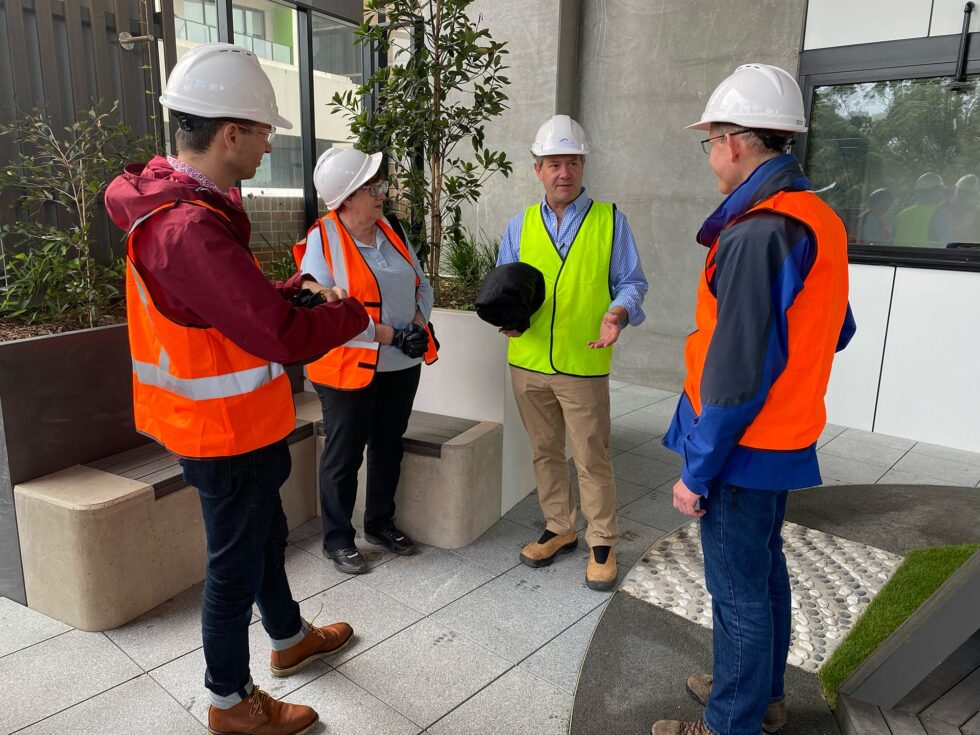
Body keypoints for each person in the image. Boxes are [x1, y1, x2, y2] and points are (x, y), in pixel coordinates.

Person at [105, 43, 369, 735]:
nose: (267, 142)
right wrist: (346, 311)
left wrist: (287, 289)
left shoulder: (181, 202)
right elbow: (276, 333)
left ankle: (286, 637)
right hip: (221, 430)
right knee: (232, 564)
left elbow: (221, 305)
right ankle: (229, 699)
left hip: (231, 423)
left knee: (264, 535)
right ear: (229, 134)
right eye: (262, 130)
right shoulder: (188, 224)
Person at [653, 63, 856, 735]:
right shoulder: (817, 217)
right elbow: (839, 328)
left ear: (737, 142)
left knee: (737, 593)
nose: (710, 153)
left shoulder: (757, 231)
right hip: (783, 438)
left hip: (741, 447)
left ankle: (730, 721)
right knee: (763, 575)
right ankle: (759, 691)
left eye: (710, 140)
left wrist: (696, 470)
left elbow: (735, 376)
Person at [498, 114, 648, 592]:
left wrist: (618, 313)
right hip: (528, 361)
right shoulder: (519, 225)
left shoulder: (610, 221)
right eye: (554, 163)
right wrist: (504, 311)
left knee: (590, 454)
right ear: (537, 169)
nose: (564, 172)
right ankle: (559, 526)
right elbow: (505, 282)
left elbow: (632, 282)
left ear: (583, 166)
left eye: (573, 162)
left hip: (583, 362)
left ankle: (602, 539)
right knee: (544, 451)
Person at [300, 147, 437, 574]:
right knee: (344, 455)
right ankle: (338, 539)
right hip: (345, 370)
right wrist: (391, 335)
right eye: (372, 187)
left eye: (379, 185)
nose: (383, 193)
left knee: (387, 448)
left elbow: (423, 285)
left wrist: (417, 322)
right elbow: (324, 312)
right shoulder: (322, 240)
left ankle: (379, 524)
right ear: (346, 197)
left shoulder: (392, 229)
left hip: (400, 363)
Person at [893, 172, 947, 246]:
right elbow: (945, 246)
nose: (942, 194)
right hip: (927, 257)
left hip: (898, 257)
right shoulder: (940, 215)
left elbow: (891, 242)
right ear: (934, 191)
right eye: (940, 190)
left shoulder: (901, 214)